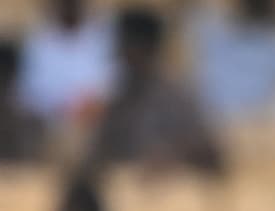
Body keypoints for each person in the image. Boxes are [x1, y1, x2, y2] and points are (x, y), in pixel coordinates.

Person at [85, 7, 222, 175]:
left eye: (126, 48)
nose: (121, 57)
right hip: (128, 192)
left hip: (177, 193)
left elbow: (214, 156)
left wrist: (172, 156)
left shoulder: (179, 97)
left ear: (147, 49)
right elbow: (96, 157)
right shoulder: (117, 100)